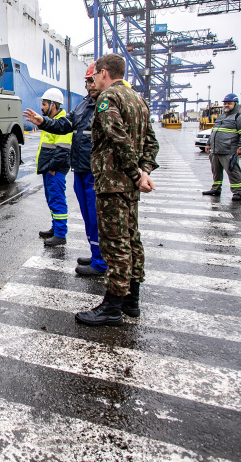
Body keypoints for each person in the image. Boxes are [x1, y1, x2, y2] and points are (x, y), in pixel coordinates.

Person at [75, 53, 159, 326]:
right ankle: (131, 300)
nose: (94, 81)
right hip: (130, 186)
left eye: (95, 75)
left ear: (103, 73)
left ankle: (112, 307)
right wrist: (143, 172)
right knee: (132, 238)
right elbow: (151, 143)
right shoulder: (139, 100)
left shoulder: (108, 99)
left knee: (115, 244)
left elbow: (117, 137)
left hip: (113, 183)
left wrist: (135, 174)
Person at [66, 63, 109, 276]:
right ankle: (96, 254)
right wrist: (43, 121)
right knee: (88, 217)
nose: (90, 85)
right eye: (87, 81)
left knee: (96, 217)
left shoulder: (107, 104)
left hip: (96, 173)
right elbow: (66, 124)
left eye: (93, 80)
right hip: (81, 170)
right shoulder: (83, 105)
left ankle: (102, 262)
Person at [22, 89, 73, 247]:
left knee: (57, 200)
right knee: (52, 200)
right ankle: (55, 228)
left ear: (54, 105)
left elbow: (63, 149)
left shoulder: (61, 122)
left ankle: (60, 234)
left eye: (44, 104)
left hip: (54, 170)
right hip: (50, 169)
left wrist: (52, 167)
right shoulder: (52, 123)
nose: (42, 108)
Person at [202, 93, 241, 201]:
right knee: (216, 172)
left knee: (233, 172)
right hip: (216, 150)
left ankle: (237, 192)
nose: (226, 105)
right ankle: (216, 189)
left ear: (235, 104)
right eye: (225, 103)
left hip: (228, 151)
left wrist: (240, 147)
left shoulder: (239, 118)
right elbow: (214, 131)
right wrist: (209, 143)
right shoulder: (221, 117)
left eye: (229, 103)